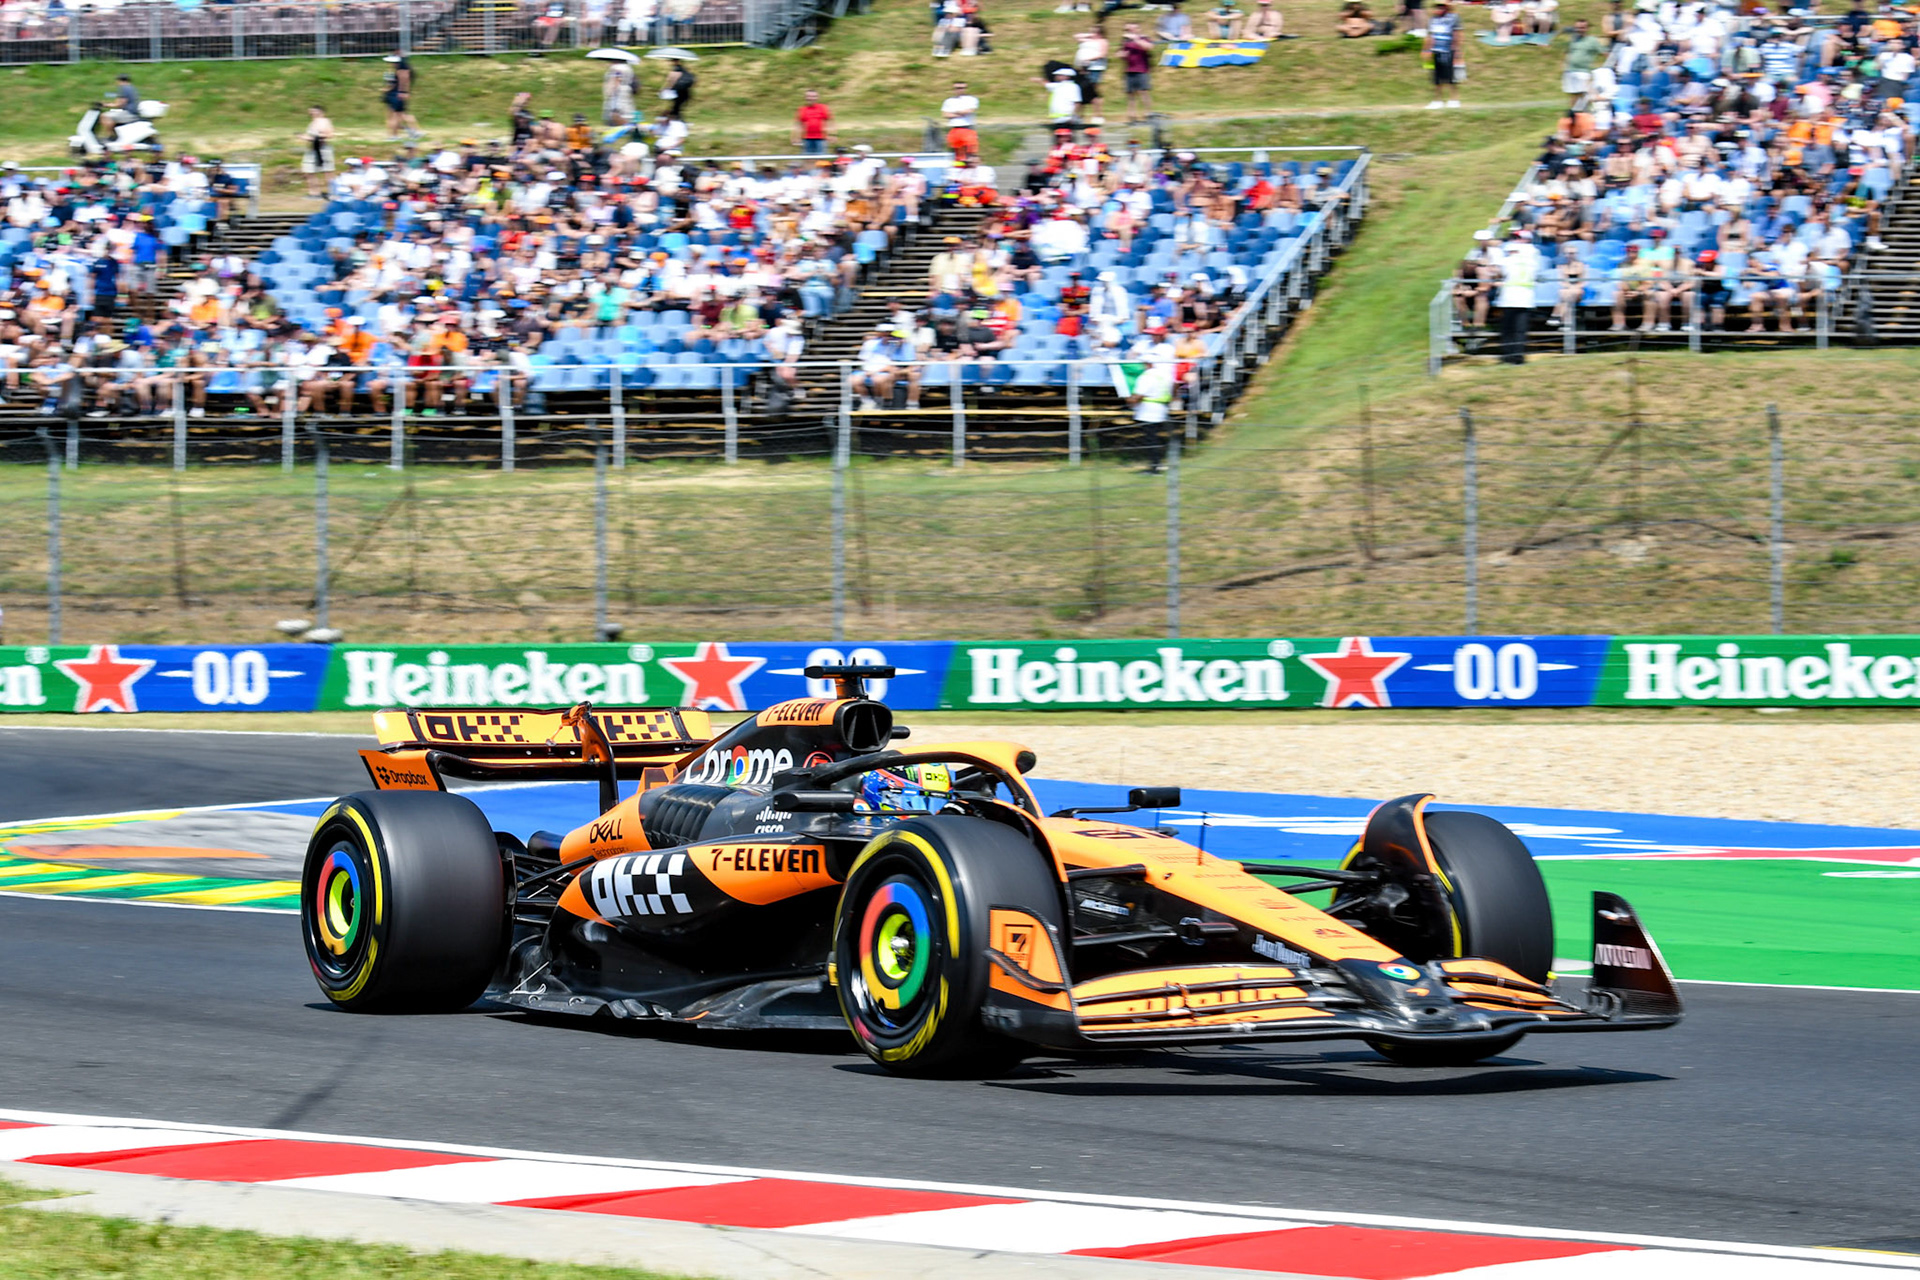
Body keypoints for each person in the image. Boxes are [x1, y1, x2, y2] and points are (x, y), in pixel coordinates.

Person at [1493, 228, 1537, 362]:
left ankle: (1507, 355)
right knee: (1520, 330)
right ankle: (1518, 356)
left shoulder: (1508, 261)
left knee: (1508, 329)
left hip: (1509, 297)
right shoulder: (1532, 261)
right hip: (1525, 298)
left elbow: (1498, 272)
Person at [1424, 0, 1461, 109]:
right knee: (1436, 77)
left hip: (1448, 50)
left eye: (1441, 7)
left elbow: (1457, 34)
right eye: (1437, 7)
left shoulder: (1453, 18)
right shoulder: (1433, 20)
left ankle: (1454, 99)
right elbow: (1430, 35)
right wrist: (1427, 50)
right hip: (1435, 51)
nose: (1438, 9)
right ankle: (1437, 100)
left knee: (1450, 77)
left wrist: (1457, 50)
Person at [1562, 19, 1605, 105]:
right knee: (1573, 95)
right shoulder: (1573, 39)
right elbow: (1568, 52)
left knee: (1584, 95)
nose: (1580, 30)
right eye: (1577, 28)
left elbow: (1603, 52)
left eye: (1582, 28)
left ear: (1587, 28)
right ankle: (1574, 115)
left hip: (1583, 71)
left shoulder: (1592, 40)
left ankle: (1583, 114)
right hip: (1570, 71)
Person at [1121, 23, 1154, 122]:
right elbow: (1121, 52)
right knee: (1131, 94)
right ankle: (1132, 115)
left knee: (1144, 92)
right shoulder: (1126, 41)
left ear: (1138, 29)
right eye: (1128, 29)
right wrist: (1122, 55)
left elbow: (1149, 47)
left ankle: (1148, 113)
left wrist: (1135, 39)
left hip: (1142, 69)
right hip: (1129, 70)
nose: (1130, 30)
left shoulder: (1144, 38)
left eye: (1133, 28)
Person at [300, 105, 335, 199]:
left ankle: (333, 192)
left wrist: (312, 137)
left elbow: (329, 134)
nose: (312, 113)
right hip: (313, 148)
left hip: (322, 148)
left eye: (314, 111)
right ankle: (314, 192)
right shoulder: (313, 122)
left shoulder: (324, 121)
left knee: (327, 171)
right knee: (309, 170)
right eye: (311, 111)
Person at [381, 56, 419, 141]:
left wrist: (402, 92)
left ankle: (395, 135)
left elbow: (394, 84)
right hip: (395, 94)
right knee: (400, 115)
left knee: (395, 116)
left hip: (393, 95)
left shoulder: (399, 71)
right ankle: (412, 131)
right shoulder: (401, 71)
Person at [941, 81, 980, 164]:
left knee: (970, 152)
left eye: (962, 88)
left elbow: (969, 111)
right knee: (957, 153)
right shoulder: (949, 101)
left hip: (967, 128)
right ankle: (958, 168)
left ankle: (970, 168)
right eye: (957, 88)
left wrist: (954, 112)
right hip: (954, 128)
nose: (959, 90)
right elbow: (945, 114)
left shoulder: (971, 99)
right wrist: (960, 113)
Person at [794, 89, 833, 156]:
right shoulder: (802, 109)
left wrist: (832, 134)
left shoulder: (823, 108)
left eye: (814, 96)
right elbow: (798, 124)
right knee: (807, 159)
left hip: (821, 138)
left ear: (817, 97)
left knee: (821, 160)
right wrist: (796, 136)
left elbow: (831, 121)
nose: (811, 98)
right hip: (806, 139)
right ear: (805, 97)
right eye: (809, 96)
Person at [602, 58, 636, 126]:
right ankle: (629, 123)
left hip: (618, 92)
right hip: (626, 90)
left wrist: (608, 91)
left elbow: (616, 80)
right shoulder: (628, 68)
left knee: (616, 109)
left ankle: (622, 126)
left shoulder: (616, 68)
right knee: (627, 108)